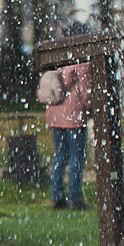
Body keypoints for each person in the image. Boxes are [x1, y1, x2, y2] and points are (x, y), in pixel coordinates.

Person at [41, 54, 92, 211]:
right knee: (77, 157)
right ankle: (74, 198)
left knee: (60, 156)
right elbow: (87, 92)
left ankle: (57, 197)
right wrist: (91, 110)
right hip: (73, 116)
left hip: (54, 114)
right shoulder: (82, 62)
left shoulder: (57, 60)